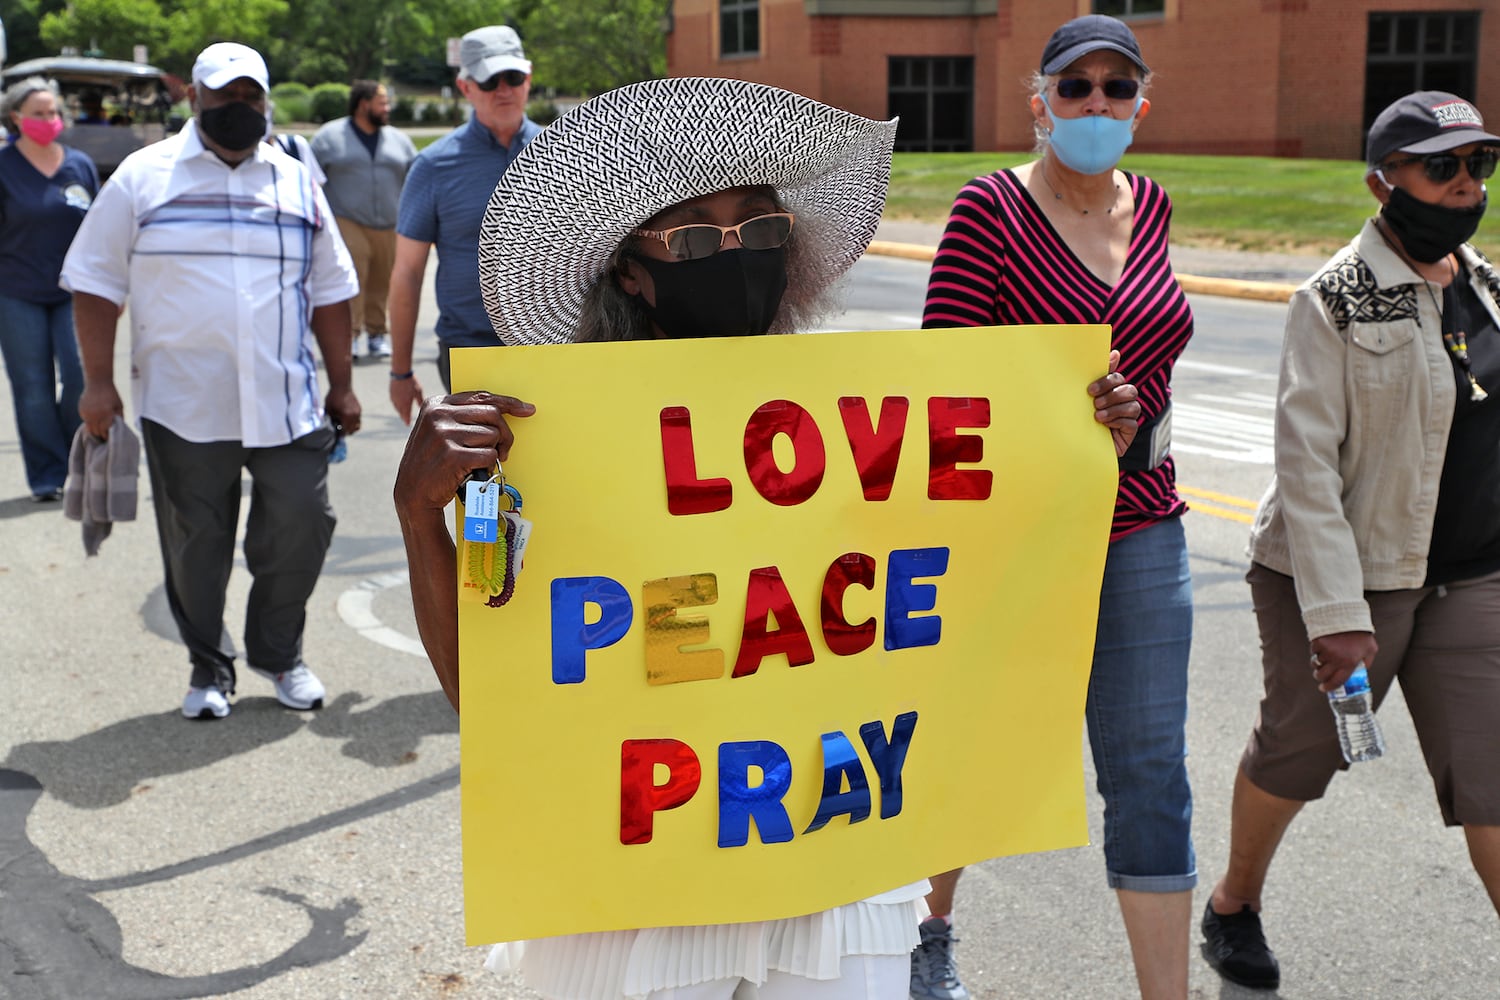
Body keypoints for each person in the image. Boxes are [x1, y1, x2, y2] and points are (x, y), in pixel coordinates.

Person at [392, 77, 1142, 1000]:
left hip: (833, 867)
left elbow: (968, 583)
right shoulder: (536, 448)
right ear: (632, 269)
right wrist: (421, 517)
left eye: (762, 230)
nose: (736, 255)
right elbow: (490, 697)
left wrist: (1073, 442)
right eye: (698, 238)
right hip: (637, 888)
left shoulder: (863, 426)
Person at [918, 15, 1195, 1000]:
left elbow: (1156, 354)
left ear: (1139, 105)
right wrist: (1059, 409)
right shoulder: (990, 209)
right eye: (1074, 88)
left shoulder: (1153, 204)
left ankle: (1166, 990)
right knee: (980, 745)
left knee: (1151, 772)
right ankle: (929, 933)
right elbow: (942, 379)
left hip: (1142, 522)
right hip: (1016, 532)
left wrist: (1132, 408)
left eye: (1116, 88)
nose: (1095, 104)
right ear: (1040, 101)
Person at [1200, 91, 1500, 991]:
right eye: (1439, 167)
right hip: (1350, 577)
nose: (1461, 186)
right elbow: (1307, 471)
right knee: (1301, 752)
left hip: (1472, 576)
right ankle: (1233, 904)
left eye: (1477, 167)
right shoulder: (1332, 298)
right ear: (1382, 182)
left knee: (1491, 775)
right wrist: (1336, 615)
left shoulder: (1485, 284)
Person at [60, 41, 360, 721]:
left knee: (301, 524)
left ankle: (279, 656)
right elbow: (95, 283)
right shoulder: (143, 177)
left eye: (250, 96)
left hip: (288, 401)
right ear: (194, 98)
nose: (238, 108)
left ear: (265, 100)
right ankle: (209, 668)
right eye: (224, 96)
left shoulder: (292, 178)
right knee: (197, 546)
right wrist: (97, 385)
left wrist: (342, 386)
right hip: (184, 404)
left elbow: (331, 290)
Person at [387, 24, 542, 418]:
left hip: (556, 346)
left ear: (529, 78)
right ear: (465, 87)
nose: (503, 89)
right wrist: (400, 372)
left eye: (513, 76)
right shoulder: (434, 166)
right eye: (490, 79)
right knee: (487, 476)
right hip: (470, 351)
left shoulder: (566, 150)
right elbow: (407, 272)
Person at [0, 77, 99, 501]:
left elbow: (99, 231)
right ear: (16, 118)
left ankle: (72, 456)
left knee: (80, 376)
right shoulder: (4, 166)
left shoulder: (79, 165)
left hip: (73, 292)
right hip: (17, 292)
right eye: (39, 113)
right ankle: (47, 476)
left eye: (54, 113)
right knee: (32, 387)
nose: (49, 120)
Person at [311, 80, 417, 363]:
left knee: (384, 279)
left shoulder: (399, 140)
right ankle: (351, 335)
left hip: (391, 220)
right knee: (353, 277)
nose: (387, 108)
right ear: (363, 104)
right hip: (347, 218)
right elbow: (309, 177)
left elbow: (415, 176)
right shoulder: (329, 137)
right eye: (382, 103)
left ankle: (376, 334)